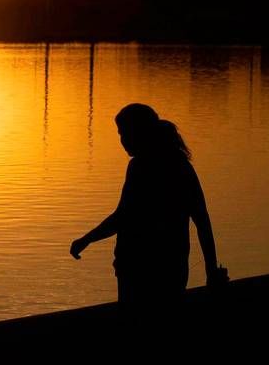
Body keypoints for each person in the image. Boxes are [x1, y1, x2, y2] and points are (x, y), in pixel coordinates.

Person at [69, 103, 225, 303]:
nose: (122, 141)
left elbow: (123, 217)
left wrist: (86, 239)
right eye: (120, 134)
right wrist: (210, 269)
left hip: (137, 268)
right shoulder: (181, 165)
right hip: (172, 268)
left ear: (140, 132)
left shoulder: (140, 167)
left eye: (124, 133)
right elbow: (202, 221)